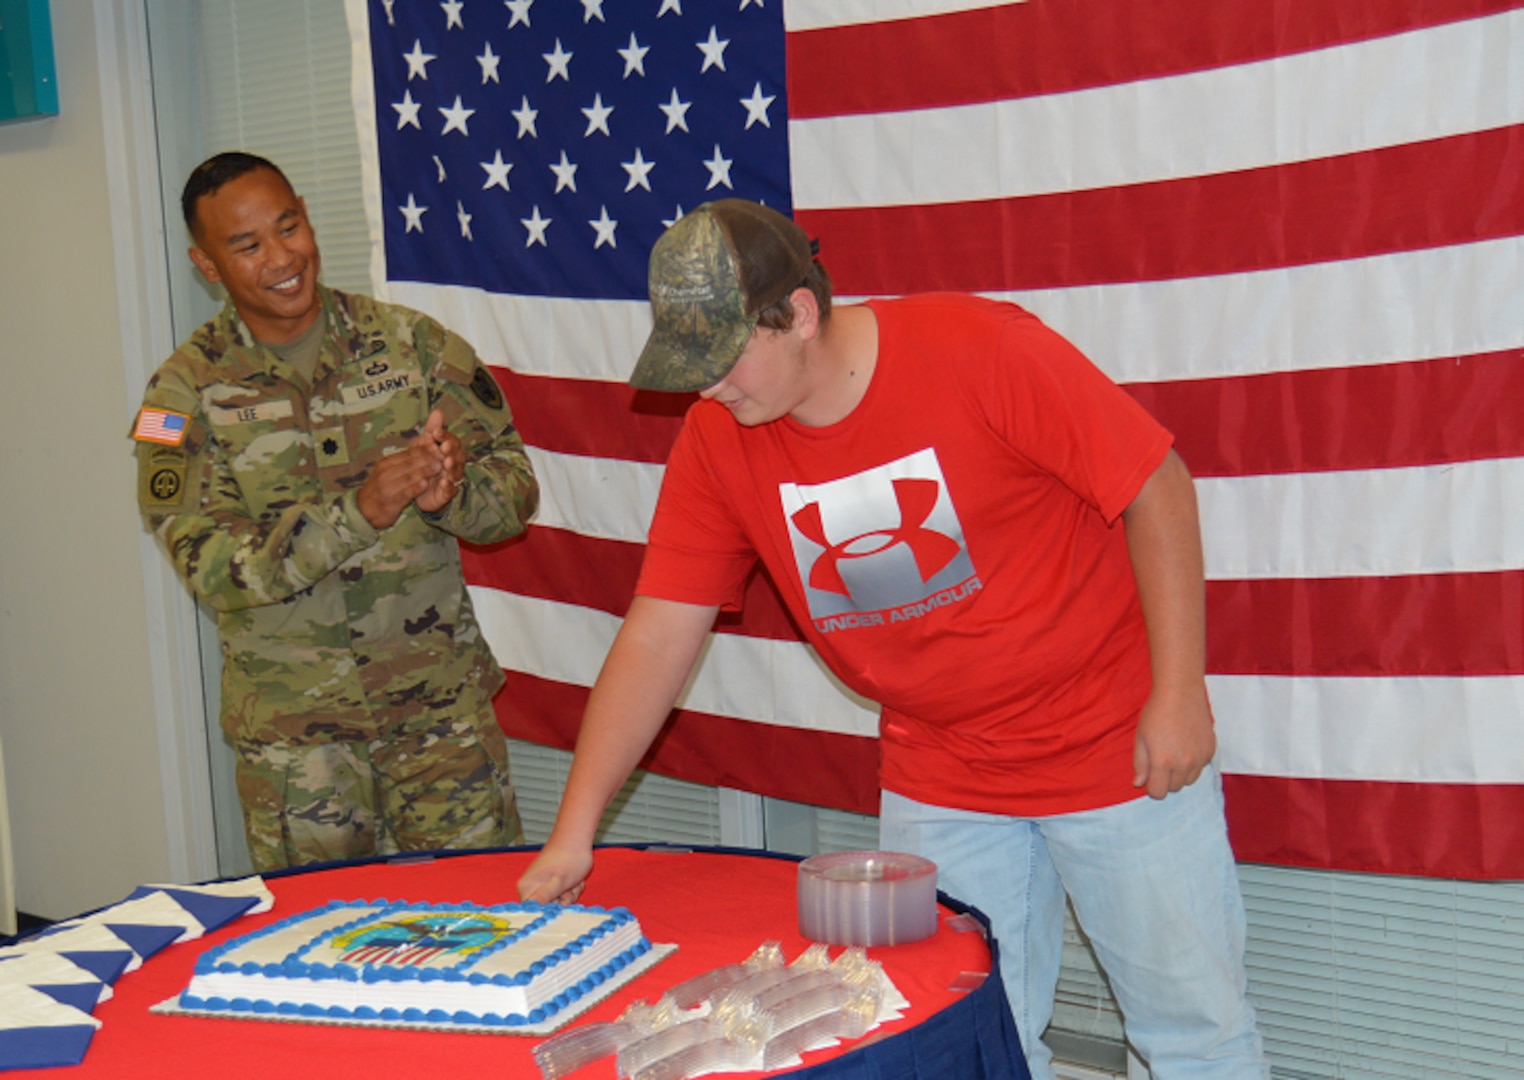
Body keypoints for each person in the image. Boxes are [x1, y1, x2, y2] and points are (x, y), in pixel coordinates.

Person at [517, 199, 1268, 1078]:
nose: (708, 387)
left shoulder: (977, 348)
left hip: (1113, 748)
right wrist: (574, 833)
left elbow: (1156, 484)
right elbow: (657, 637)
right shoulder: (718, 439)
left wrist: (1179, 692)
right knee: (951, 1033)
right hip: (942, 772)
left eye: (724, 358)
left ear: (798, 313)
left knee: (1191, 1031)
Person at [133, 152, 539, 872]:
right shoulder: (179, 398)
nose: (282, 257)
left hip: (439, 716)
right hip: (297, 751)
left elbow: (514, 492)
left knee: (483, 931)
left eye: (289, 227)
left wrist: (455, 498)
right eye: (248, 245)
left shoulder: (415, 345)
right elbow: (214, 568)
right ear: (207, 265)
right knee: (319, 950)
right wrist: (359, 511)